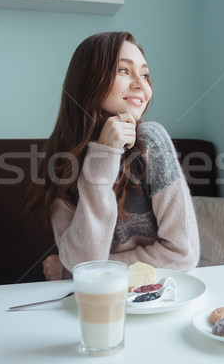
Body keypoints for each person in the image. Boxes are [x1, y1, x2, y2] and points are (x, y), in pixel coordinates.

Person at [28, 31, 199, 280]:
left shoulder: (151, 140)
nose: (142, 85)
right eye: (123, 70)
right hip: (98, 298)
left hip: (160, 290)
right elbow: (83, 262)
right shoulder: (63, 157)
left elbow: (183, 254)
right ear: (90, 79)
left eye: (145, 74)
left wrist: (78, 270)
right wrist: (104, 157)